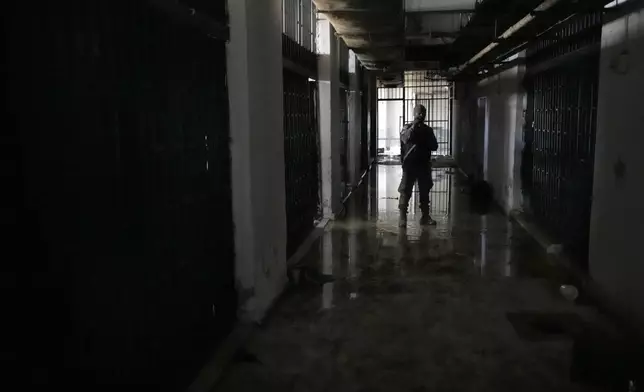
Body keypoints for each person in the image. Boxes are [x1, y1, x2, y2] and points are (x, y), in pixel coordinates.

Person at [398, 104, 438, 227]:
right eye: (419, 113)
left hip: (423, 165)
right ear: (414, 114)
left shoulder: (428, 130)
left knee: (424, 191)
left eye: (423, 113)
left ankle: (425, 216)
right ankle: (402, 217)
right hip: (410, 165)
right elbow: (405, 138)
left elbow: (434, 146)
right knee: (405, 191)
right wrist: (414, 126)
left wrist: (425, 135)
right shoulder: (407, 128)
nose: (421, 115)